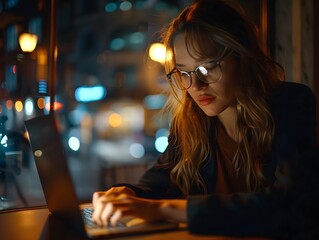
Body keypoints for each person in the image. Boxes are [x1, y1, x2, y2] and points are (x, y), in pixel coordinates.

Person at [92, 0, 317, 237]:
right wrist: (126, 193)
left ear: (242, 57)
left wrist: (167, 209)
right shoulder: (190, 120)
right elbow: (160, 180)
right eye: (185, 72)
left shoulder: (291, 102)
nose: (196, 86)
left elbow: (289, 205)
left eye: (207, 67)